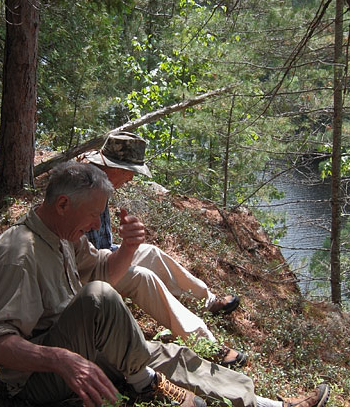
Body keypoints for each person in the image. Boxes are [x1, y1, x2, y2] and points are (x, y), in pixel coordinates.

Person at [0, 161, 329, 407]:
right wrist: (62, 360)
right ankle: (146, 384)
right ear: (63, 204)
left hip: (78, 349)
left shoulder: (63, 235)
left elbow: (102, 270)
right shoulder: (17, 254)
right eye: (94, 215)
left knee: (164, 351)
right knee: (99, 297)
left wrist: (128, 248)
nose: (98, 225)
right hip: (37, 381)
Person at [83, 131, 244, 367]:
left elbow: (102, 243)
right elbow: (83, 256)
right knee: (143, 278)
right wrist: (123, 251)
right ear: (115, 168)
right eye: (130, 173)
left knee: (151, 253)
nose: (130, 180)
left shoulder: (100, 185)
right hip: (86, 274)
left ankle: (208, 301)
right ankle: (206, 344)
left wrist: (127, 246)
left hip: (103, 256)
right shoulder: (84, 192)